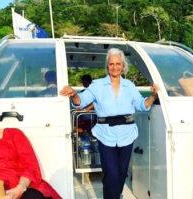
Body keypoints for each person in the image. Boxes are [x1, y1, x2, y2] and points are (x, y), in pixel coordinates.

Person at [60, 48, 159, 199]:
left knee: (121, 172)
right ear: (107, 66)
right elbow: (81, 101)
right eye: (111, 64)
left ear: (123, 66)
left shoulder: (129, 85)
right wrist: (74, 94)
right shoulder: (97, 85)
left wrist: (152, 96)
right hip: (105, 134)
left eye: (118, 64)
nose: (115, 67)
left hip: (127, 133)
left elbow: (142, 105)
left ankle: (115, 195)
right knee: (111, 172)